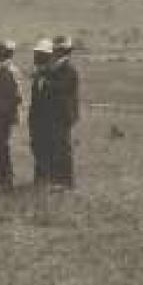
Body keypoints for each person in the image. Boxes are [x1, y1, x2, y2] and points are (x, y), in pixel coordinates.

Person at [0, 40, 25, 187]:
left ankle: (5, 177)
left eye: (1, 51)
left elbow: (18, 96)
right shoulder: (3, 70)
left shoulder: (10, 71)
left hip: (4, 116)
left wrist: (5, 112)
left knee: (2, 146)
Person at [47, 35, 81, 188]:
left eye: (56, 50)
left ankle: (66, 181)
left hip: (64, 114)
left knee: (63, 147)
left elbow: (61, 88)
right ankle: (59, 180)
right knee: (57, 146)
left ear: (61, 52)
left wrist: (46, 81)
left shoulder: (69, 70)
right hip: (58, 114)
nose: (53, 52)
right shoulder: (59, 68)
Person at [27, 39, 57, 185]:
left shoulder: (53, 75)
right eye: (36, 54)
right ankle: (40, 177)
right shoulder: (38, 74)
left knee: (47, 148)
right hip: (37, 120)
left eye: (39, 54)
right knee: (37, 147)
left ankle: (48, 177)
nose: (35, 57)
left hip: (48, 120)